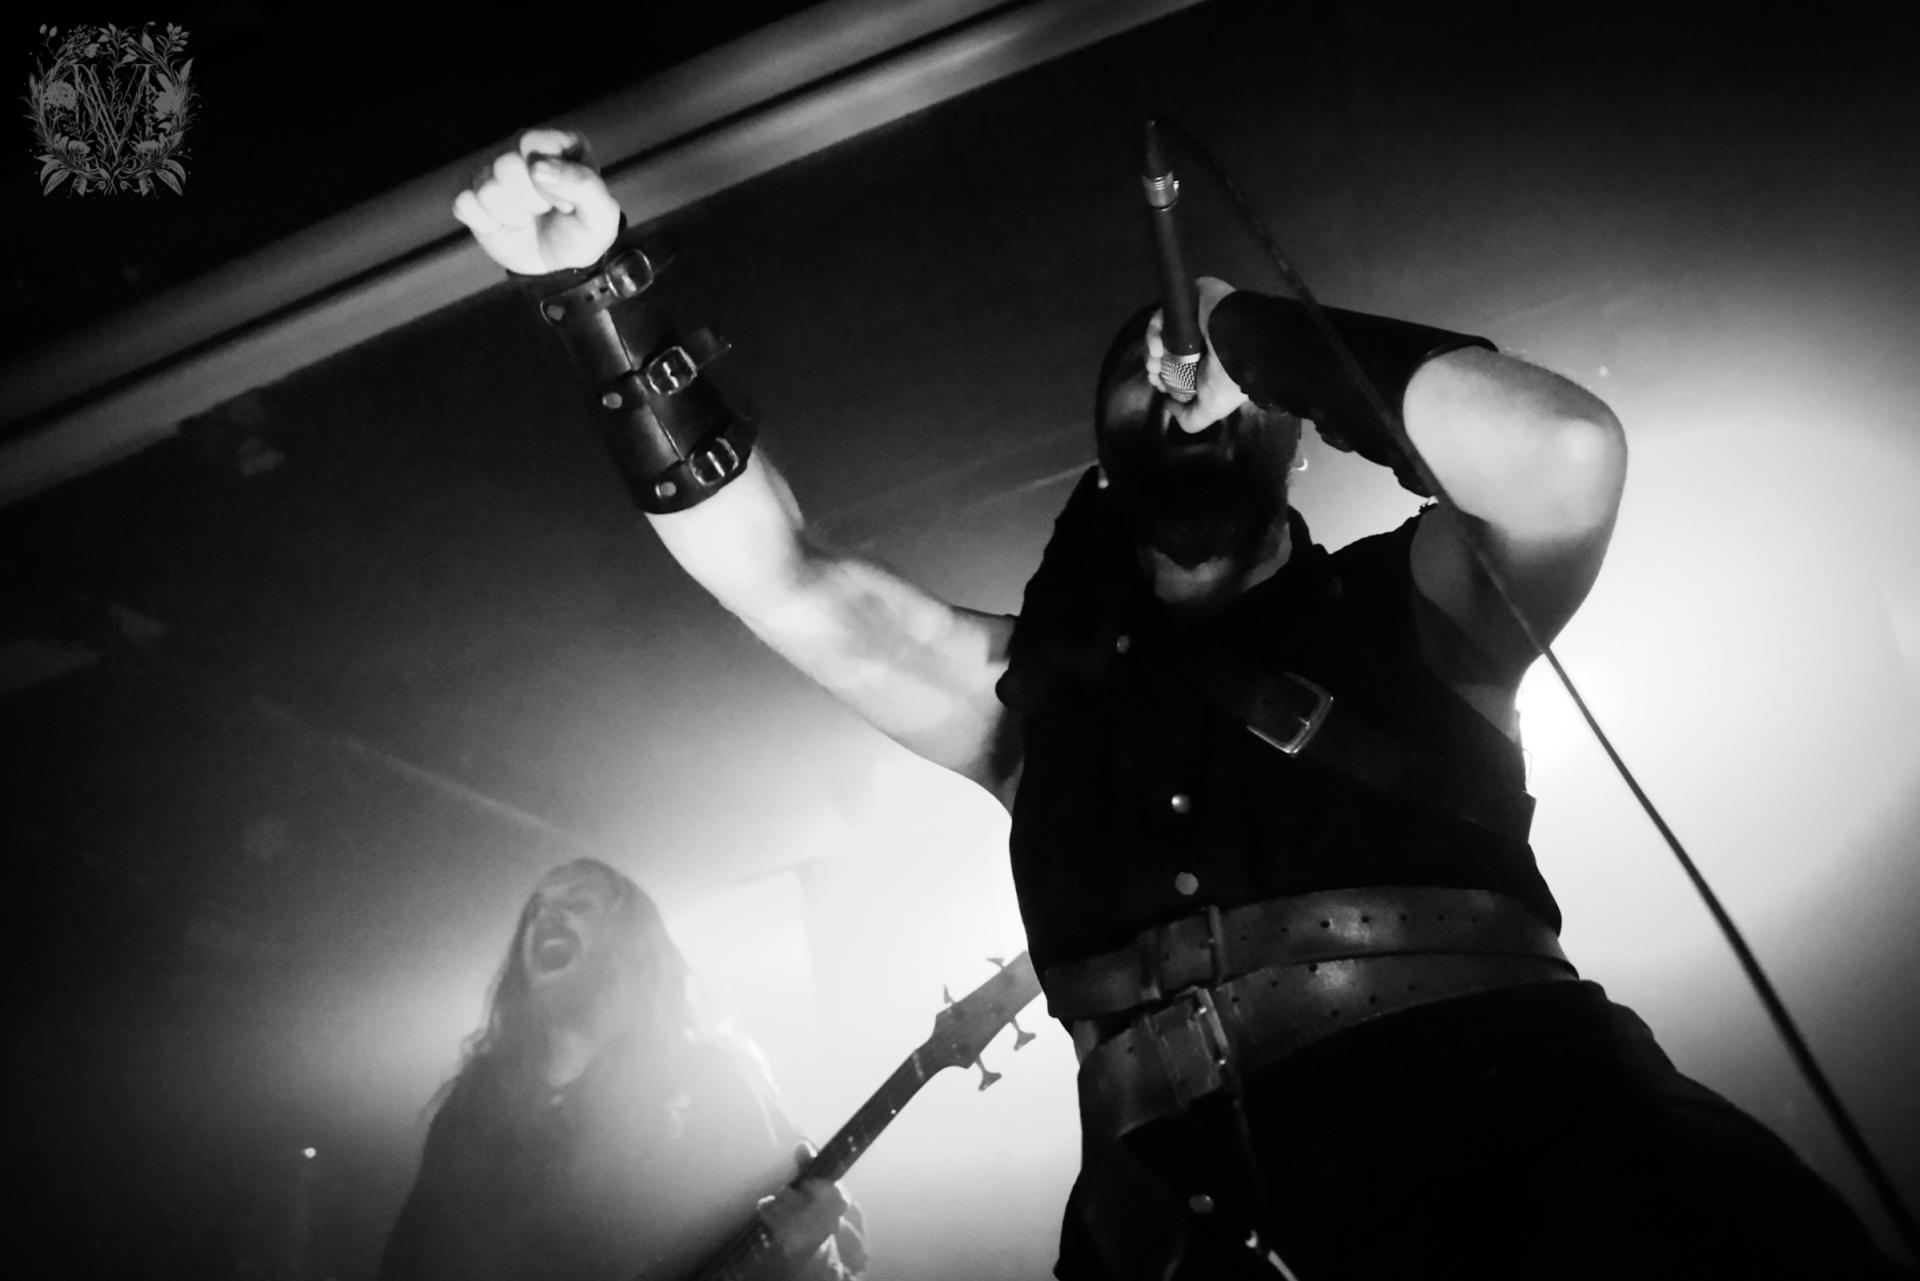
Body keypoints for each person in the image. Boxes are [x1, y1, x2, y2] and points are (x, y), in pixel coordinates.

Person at [453, 130, 1911, 1279]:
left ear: (1293, 432)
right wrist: (598, 295)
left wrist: (1249, 331)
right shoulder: (1029, 706)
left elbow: (1567, 456)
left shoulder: (1420, 611)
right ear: (1100, 449)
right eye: (1146, 375)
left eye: (1224, 382)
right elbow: (785, 576)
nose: (1184, 389)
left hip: (1554, 1183)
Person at [380, 858, 867, 1281]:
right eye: (537, 909)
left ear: (634, 949)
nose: (547, 917)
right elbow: (410, 1260)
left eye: (577, 904)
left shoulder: (706, 1088)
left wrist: (809, 1248)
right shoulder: (474, 1107)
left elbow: (804, 1247)